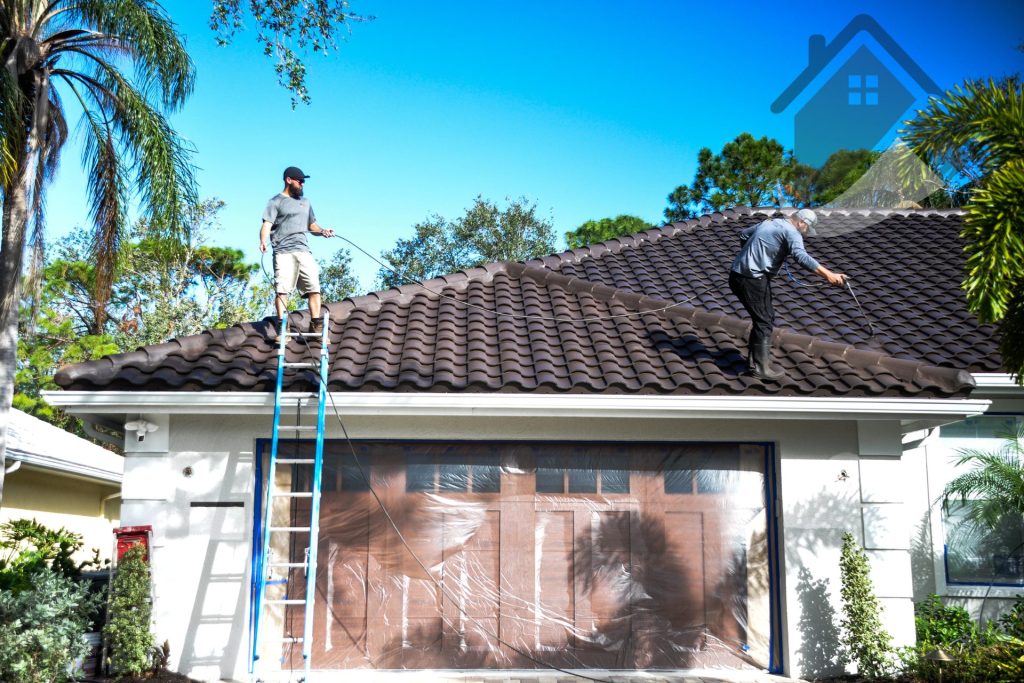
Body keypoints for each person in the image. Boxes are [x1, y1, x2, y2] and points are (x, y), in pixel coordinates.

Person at [728, 208, 847, 381]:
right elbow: (801, 256)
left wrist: (751, 257)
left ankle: (754, 362)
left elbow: (744, 235)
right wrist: (829, 275)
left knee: (765, 317)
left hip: (737, 275)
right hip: (752, 278)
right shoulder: (792, 232)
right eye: (806, 228)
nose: (805, 232)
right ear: (801, 222)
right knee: (764, 320)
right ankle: (760, 368)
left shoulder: (770, 222)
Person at [259, 166, 335, 333]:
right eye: (300, 181)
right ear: (289, 180)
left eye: (303, 182)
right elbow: (267, 224)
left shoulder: (305, 202)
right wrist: (263, 241)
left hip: (303, 250)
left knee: (314, 287)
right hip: (283, 252)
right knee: (282, 290)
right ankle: (282, 327)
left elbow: (312, 225)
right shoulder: (275, 201)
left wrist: (322, 231)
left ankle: (315, 325)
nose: (302, 184)